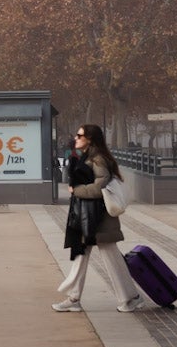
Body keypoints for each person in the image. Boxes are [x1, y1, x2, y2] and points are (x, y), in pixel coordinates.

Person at [53, 124, 145, 313]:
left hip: (99, 218)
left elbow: (98, 188)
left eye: (80, 135)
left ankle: (130, 298)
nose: (76, 138)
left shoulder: (98, 159)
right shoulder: (86, 157)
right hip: (86, 216)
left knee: (111, 258)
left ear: (91, 139)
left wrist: (75, 190)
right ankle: (74, 298)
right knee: (81, 255)